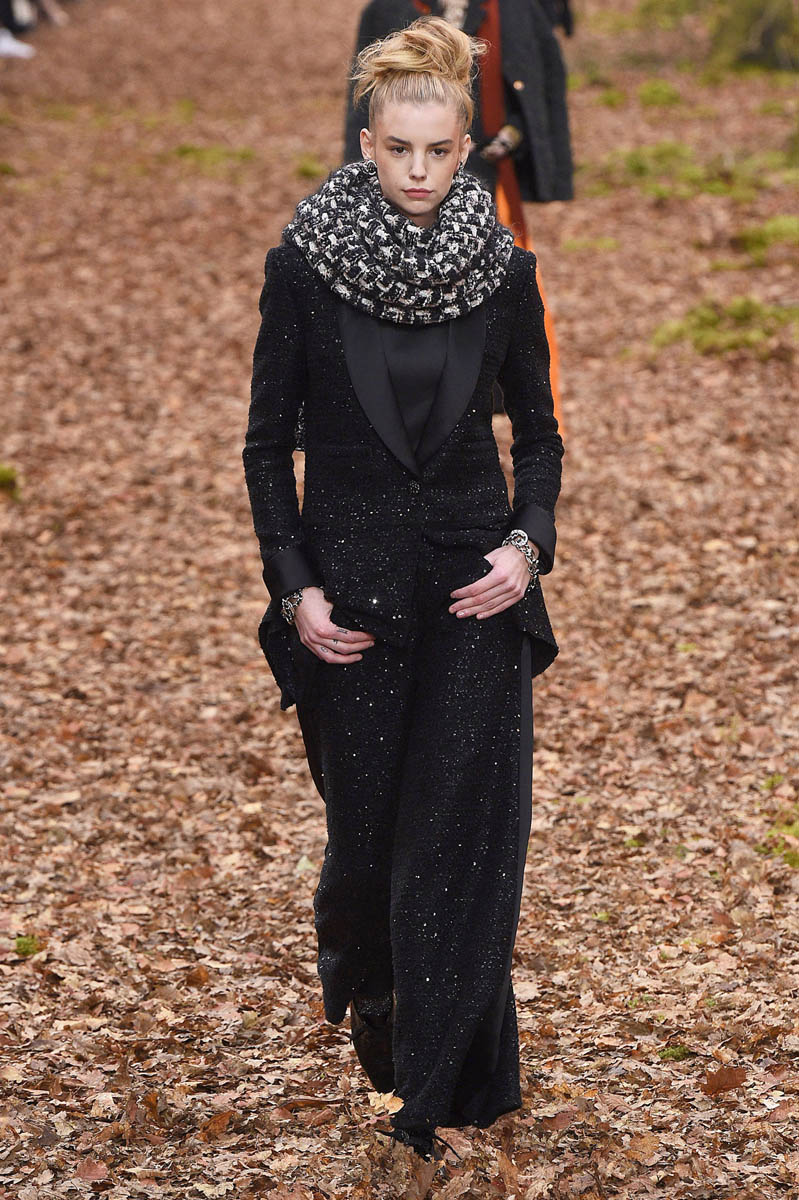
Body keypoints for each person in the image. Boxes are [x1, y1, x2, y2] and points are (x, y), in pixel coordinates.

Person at [242, 15, 563, 1196]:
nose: (420, 171)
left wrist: (527, 548)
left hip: (475, 598)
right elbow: (266, 447)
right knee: (367, 856)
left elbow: (539, 440)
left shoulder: (505, 272)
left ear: (465, 149)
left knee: (459, 845)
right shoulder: (303, 269)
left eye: (439, 150)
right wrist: (296, 589)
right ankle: (383, 1018)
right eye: (399, 149)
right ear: (366, 144)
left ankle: (446, 1090)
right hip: (353, 607)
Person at [342, 0, 573, 430]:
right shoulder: (389, 9)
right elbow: (363, 109)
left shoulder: (512, 10)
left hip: (488, 185)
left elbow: (535, 83)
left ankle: (507, 414)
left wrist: (514, 134)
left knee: (511, 303)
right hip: (400, 196)